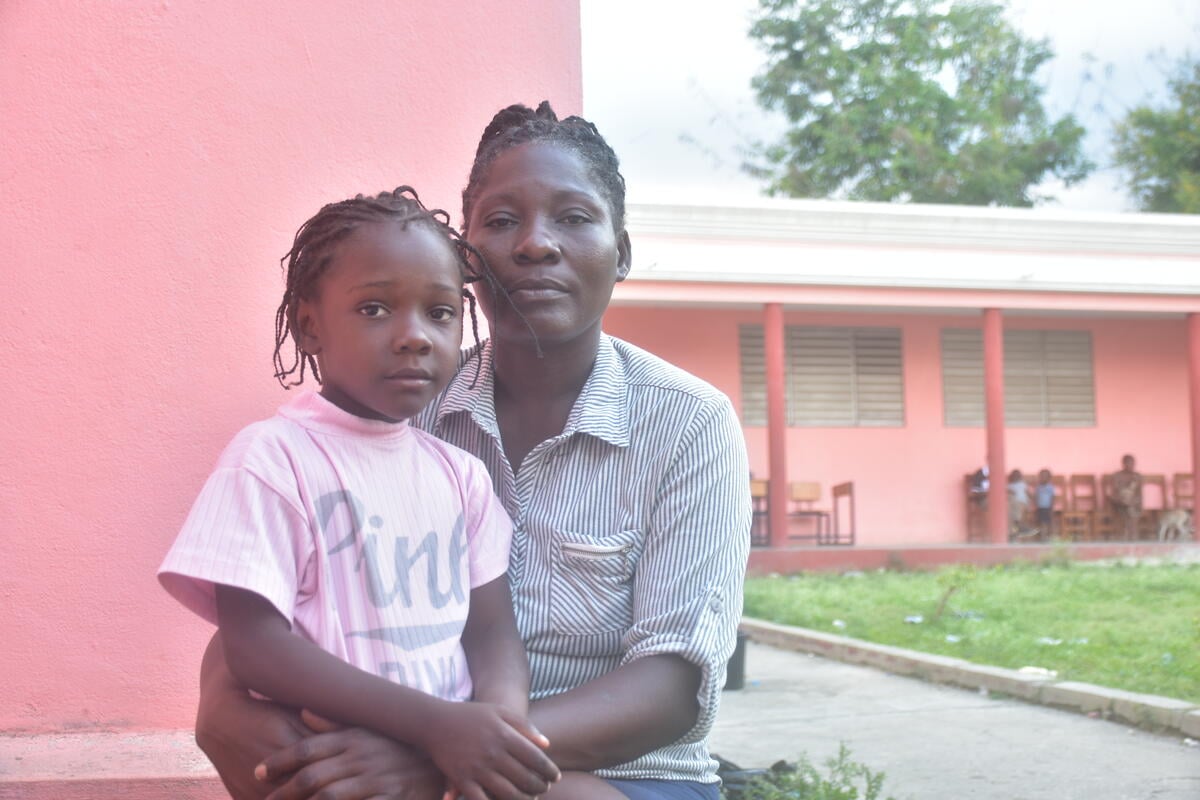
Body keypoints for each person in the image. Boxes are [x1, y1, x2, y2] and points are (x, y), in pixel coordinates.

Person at [193, 102, 751, 800]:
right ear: (468, 259)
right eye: (502, 221)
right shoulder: (399, 401)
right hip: (410, 740)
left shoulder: (688, 425)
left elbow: (671, 687)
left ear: (623, 253)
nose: (535, 245)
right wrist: (218, 697)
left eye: (574, 218)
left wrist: (441, 758)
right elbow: (273, 603)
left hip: (622, 776)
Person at [159, 188, 560, 800]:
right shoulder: (273, 459)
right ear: (309, 326)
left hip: (447, 775)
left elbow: (492, 635)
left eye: (441, 312)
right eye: (374, 309)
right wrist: (438, 727)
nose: (414, 336)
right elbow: (255, 648)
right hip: (334, 770)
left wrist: (496, 730)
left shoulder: (461, 477)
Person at [1109, 454, 1143, 538]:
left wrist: (1134, 501)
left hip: (1133, 503)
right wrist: (1122, 500)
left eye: (1133, 463)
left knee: (1131, 510)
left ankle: (1131, 536)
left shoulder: (1137, 476)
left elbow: (1140, 494)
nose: (1131, 465)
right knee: (1126, 508)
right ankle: (1125, 536)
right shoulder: (1117, 476)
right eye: (1128, 463)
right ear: (1123, 464)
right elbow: (1114, 493)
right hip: (1118, 502)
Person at [1007, 469, 1036, 539]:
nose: (1015, 477)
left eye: (1017, 475)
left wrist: (1033, 500)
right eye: (1014, 475)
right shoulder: (1008, 486)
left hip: (1023, 503)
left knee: (1016, 510)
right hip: (1013, 504)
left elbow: (1029, 494)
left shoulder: (1023, 484)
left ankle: (1017, 526)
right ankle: (1019, 526)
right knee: (1011, 510)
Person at [1034, 469, 1056, 539]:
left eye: (1045, 476)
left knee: (1049, 522)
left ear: (1049, 478)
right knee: (1041, 522)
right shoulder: (1038, 487)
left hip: (1048, 507)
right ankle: (1043, 536)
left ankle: (1051, 536)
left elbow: (1053, 497)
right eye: (1041, 476)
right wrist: (1036, 505)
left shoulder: (1050, 487)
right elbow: (1036, 496)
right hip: (1040, 507)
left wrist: (1052, 507)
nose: (1043, 478)